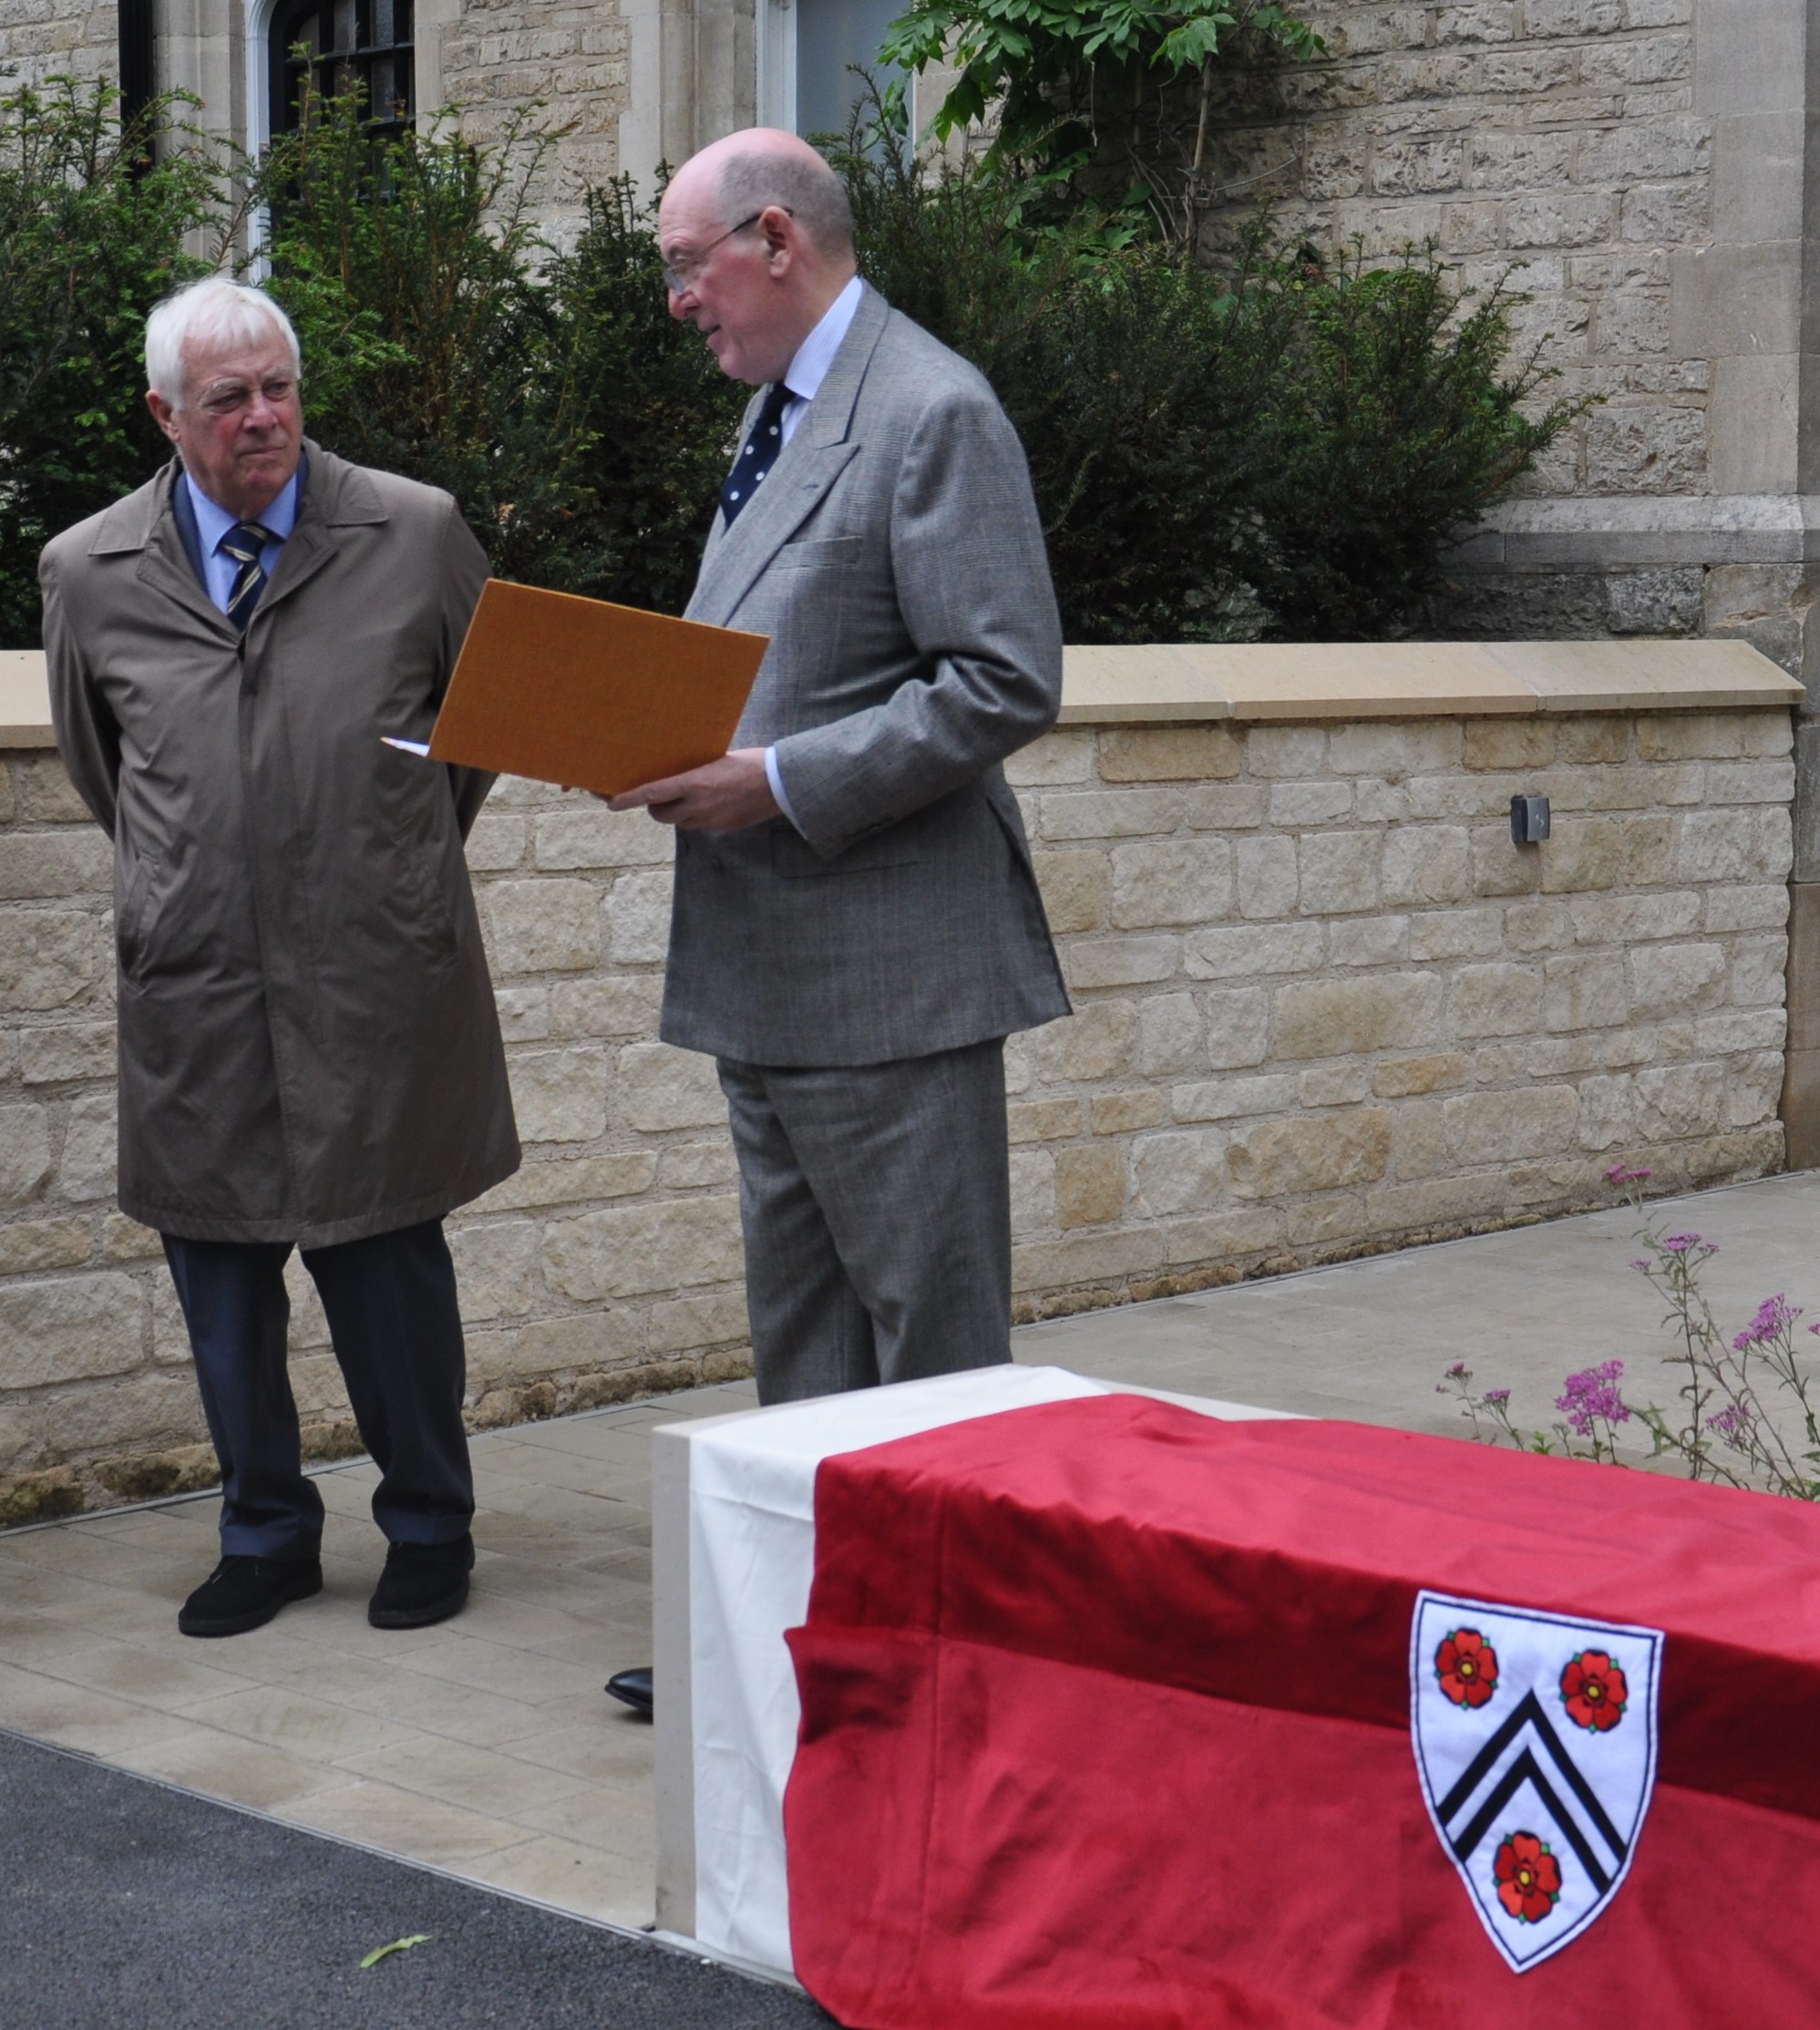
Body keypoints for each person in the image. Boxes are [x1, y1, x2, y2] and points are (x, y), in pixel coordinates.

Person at [601, 131, 1069, 1715]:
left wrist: (777, 781)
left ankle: (956, 1676)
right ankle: (805, 1654)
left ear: (776, 240)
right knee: (801, 1351)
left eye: (686, 267)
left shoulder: (930, 409)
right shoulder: (779, 407)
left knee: (927, 1359)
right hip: (766, 970)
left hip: (891, 974)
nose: (676, 302)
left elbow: (1005, 681)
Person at [41, 277, 519, 1640]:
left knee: (385, 1256)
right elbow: (106, 769)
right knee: (220, 1273)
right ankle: (263, 1532)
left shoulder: (413, 532)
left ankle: (429, 1522)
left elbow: (471, 736)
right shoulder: (89, 570)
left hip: (371, 967)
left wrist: (374, 859)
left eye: (278, 390)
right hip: (194, 975)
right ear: (163, 415)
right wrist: (201, 874)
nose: (263, 420)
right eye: (227, 399)